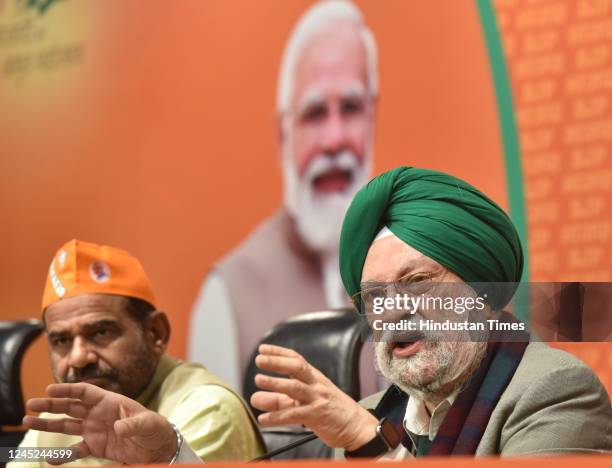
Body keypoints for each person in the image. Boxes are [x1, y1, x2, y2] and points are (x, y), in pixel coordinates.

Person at [249, 166, 612, 458]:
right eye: (375, 296)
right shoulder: (370, 413)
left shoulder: (554, 392)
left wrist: (375, 447)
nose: (393, 310)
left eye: (418, 280)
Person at [189, 0, 379, 394]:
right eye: (313, 114)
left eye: (350, 107)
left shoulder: (426, 267)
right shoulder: (226, 298)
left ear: (372, 119)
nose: (334, 140)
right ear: (283, 138)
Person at [10, 240, 264, 467]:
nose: (78, 357)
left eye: (100, 332)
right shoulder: (54, 422)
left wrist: (168, 456)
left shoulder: (209, 408)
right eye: (62, 340)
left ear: (155, 333)